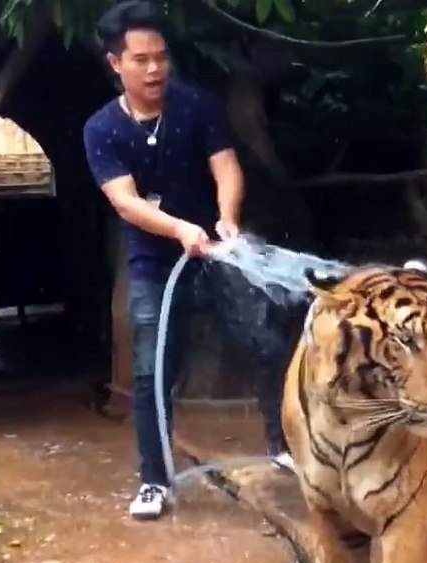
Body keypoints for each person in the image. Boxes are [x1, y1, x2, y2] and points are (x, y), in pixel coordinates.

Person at [83, 0, 294, 521]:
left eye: (161, 56)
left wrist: (226, 218)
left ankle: (283, 446)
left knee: (267, 342)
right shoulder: (101, 130)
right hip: (156, 263)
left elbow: (226, 167)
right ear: (116, 64)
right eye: (141, 59)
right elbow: (125, 201)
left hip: (218, 252)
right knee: (153, 371)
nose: (155, 68)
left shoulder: (196, 107)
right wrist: (179, 229)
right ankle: (155, 479)